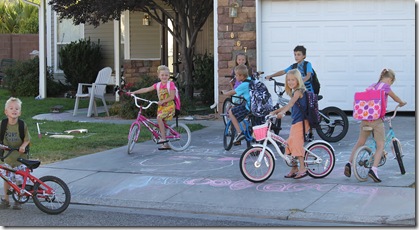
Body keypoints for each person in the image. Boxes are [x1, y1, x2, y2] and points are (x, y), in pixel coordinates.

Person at [344, 68, 406, 182]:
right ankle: (374, 170)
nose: (390, 84)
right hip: (377, 120)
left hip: (365, 118)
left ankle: (349, 163)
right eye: (391, 82)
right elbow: (395, 97)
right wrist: (401, 103)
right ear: (390, 79)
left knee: (360, 141)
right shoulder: (386, 87)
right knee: (380, 145)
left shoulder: (372, 85)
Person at [265, 45, 315, 139]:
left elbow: (308, 75)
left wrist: (300, 82)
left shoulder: (307, 64)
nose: (296, 56)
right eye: (295, 54)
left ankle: (310, 132)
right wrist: (271, 75)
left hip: (308, 90)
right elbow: (283, 71)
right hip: (299, 87)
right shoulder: (294, 67)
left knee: (308, 112)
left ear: (304, 56)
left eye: (299, 54)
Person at [269, 69, 309, 179]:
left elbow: (290, 104)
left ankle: (303, 168)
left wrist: (282, 113)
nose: (290, 82)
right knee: (288, 145)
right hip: (296, 122)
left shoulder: (299, 91)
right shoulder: (294, 91)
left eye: (293, 80)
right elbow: (288, 104)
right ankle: (294, 167)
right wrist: (275, 111)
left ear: (298, 80)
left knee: (296, 144)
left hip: (302, 122)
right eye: (288, 80)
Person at [130, 65, 175, 151]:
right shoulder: (157, 85)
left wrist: (163, 101)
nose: (164, 77)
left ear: (169, 76)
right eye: (162, 75)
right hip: (161, 107)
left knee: (159, 118)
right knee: (160, 124)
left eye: (166, 75)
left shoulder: (170, 84)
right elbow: (146, 89)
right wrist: (134, 92)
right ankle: (165, 144)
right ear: (159, 76)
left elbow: (172, 97)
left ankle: (164, 139)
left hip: (169, 106)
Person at [0, 97, 31, 210]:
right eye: (11, 108)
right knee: (7, 179)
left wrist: (23, 146)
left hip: (20, 158)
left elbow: (27, 139)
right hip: (7, 158)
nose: (14, 110)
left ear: (20, 112)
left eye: (17, 108)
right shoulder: (2, 124)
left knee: (19, 180)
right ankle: (6, 200)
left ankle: (18, 200)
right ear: (6, 112)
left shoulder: (22, 125)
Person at [221, 64, 251, 145]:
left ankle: (239, 133)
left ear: (241, 76)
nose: (235, 77)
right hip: (256, 106)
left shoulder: (243, 85)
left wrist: (225, 93)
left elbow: (233, 92)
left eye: (236, 75)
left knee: (231, 112)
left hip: (249, 106)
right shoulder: (250, 79)